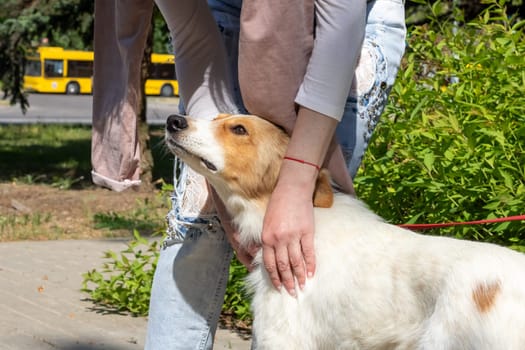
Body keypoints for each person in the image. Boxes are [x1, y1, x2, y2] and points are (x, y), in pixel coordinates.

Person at [90, 0, 406, 348]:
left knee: (302, 246)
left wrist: (299, 180)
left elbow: (340, 28)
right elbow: (192, 34)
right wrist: (223, 190)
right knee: (198, 226)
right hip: (226, 16)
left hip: (345, 36)